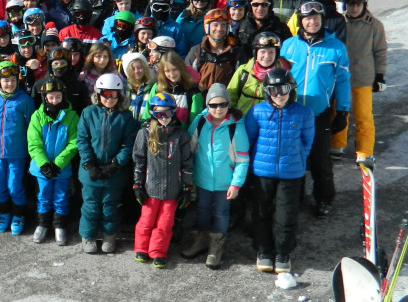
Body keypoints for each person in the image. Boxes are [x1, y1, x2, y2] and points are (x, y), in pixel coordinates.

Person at [279, 1, 351, 218]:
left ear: (322, 20)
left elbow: (343, 81)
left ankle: (324, 198)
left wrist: (344, 110)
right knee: (294, 158)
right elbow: (279, 76)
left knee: (320, 160)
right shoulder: (289, 45)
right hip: (292, 111)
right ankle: (296, 197)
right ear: (301, 22)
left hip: (319, 113)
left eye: (316, 18)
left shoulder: (335, 47)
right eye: (307, 19)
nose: (312, 22)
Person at [245, 68, 314, 273]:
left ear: (291, 89)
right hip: (262, 171)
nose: (279, 95)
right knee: (261, 211)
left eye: (283, 89)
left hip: (291, 172)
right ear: (267, 91)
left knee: (286, 214)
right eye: (274, 90)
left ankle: (283, 252)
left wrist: (299, 159)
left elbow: (307, 141)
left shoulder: (303, 112)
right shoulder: (257, 111)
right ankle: (264, 250)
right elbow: (249, 139)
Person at [181, 83, 249, 269]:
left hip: (224, 182)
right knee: (202, 209)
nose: (218, 109)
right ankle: (200, 240)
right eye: (213, 105)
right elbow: (190, 148)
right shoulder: (201, 121)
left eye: (222, 104)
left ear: (229, 104)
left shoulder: (235, 127)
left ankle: (216, 247)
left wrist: (236, 185)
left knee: (221, 213)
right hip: (202, 180)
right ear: (207, 105)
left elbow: (242, 160)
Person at [77, 73, 139, 251]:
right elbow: (82, 139)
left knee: (110, 206)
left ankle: (109, 235)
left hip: (114, 172)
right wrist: (89, 164)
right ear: (98, 94)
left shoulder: (125, 117)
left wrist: (116, 164)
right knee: (91, 205)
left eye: (114, 95)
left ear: (119, 95)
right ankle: (88, 236)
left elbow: (129, 143)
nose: (110, 99)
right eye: (106, 94)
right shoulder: (89, 113)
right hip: (91, 171)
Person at [132, 92, 195, 269]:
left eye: (167, 113)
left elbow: (187, 163)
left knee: (165, 222)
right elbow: (139, 160)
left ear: (174, 112)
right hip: (150, 188)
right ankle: (141, 248)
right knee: (146, 220)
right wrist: (137, 184)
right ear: (152, 113)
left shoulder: (180, 136)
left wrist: (187, 187)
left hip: (172, 190)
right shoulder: (145, 134)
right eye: (159, 114)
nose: (164, 118)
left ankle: (158, 251)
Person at [332, 0, 386, 167]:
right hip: (342, 78)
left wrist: (380, 76)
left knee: (363, 115)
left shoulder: (374, 25)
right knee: (340, 111)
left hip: (364, 78)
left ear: (364, 4)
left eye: (357, 4)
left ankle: (364, 151)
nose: (354, 8)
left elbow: (380, 52)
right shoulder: (341, 22)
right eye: (350, 4)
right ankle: (337, 145)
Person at [27, 79, 80, 244]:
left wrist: (58, 164)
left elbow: (74, 142)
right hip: (41, 168)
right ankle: (42, 224)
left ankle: (59, 225)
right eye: (51, 98)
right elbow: (34, 143)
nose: (55, 101)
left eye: (58, 97)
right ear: (45, 98)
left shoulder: (71, 116)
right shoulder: (38, 116)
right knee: (43, 195)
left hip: (61, 168)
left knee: (60, 196)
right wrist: (43, 163)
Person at [0, 62, 36, 235]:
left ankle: (19, 214)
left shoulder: (25, 101)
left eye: (13, 80)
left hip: (17, 152)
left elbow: (32, 127)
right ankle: (4, 212)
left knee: (14, 185)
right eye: (5, 80)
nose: (9, 83)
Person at [228, 32, 291, 114]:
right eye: (263, 52)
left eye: (271, 52)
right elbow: (230, 97)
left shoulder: (284, 75)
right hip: (243, 121)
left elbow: (291, 102)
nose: (267, 56)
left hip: (268, 123)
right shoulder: (244, 72)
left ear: (276, 54)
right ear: (256, 53)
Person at [185, 9, 242, 90]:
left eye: (223, 25)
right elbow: (187, 79)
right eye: (215, 25)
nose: (219, 29)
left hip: (227, 100)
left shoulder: (236, 53)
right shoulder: (196, 52)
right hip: (201, 100)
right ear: (207, 27)